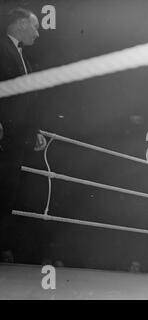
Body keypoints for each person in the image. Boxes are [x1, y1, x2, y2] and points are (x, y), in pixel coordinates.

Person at [0, 8, 46, 254]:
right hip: (2, 134)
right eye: (35, 26)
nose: (38, 33)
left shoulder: (24, 60)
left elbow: (25, 101)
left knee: (7, 193)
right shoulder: (1, 48)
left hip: (14, 138)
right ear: (19, 24)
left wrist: (35, 130)